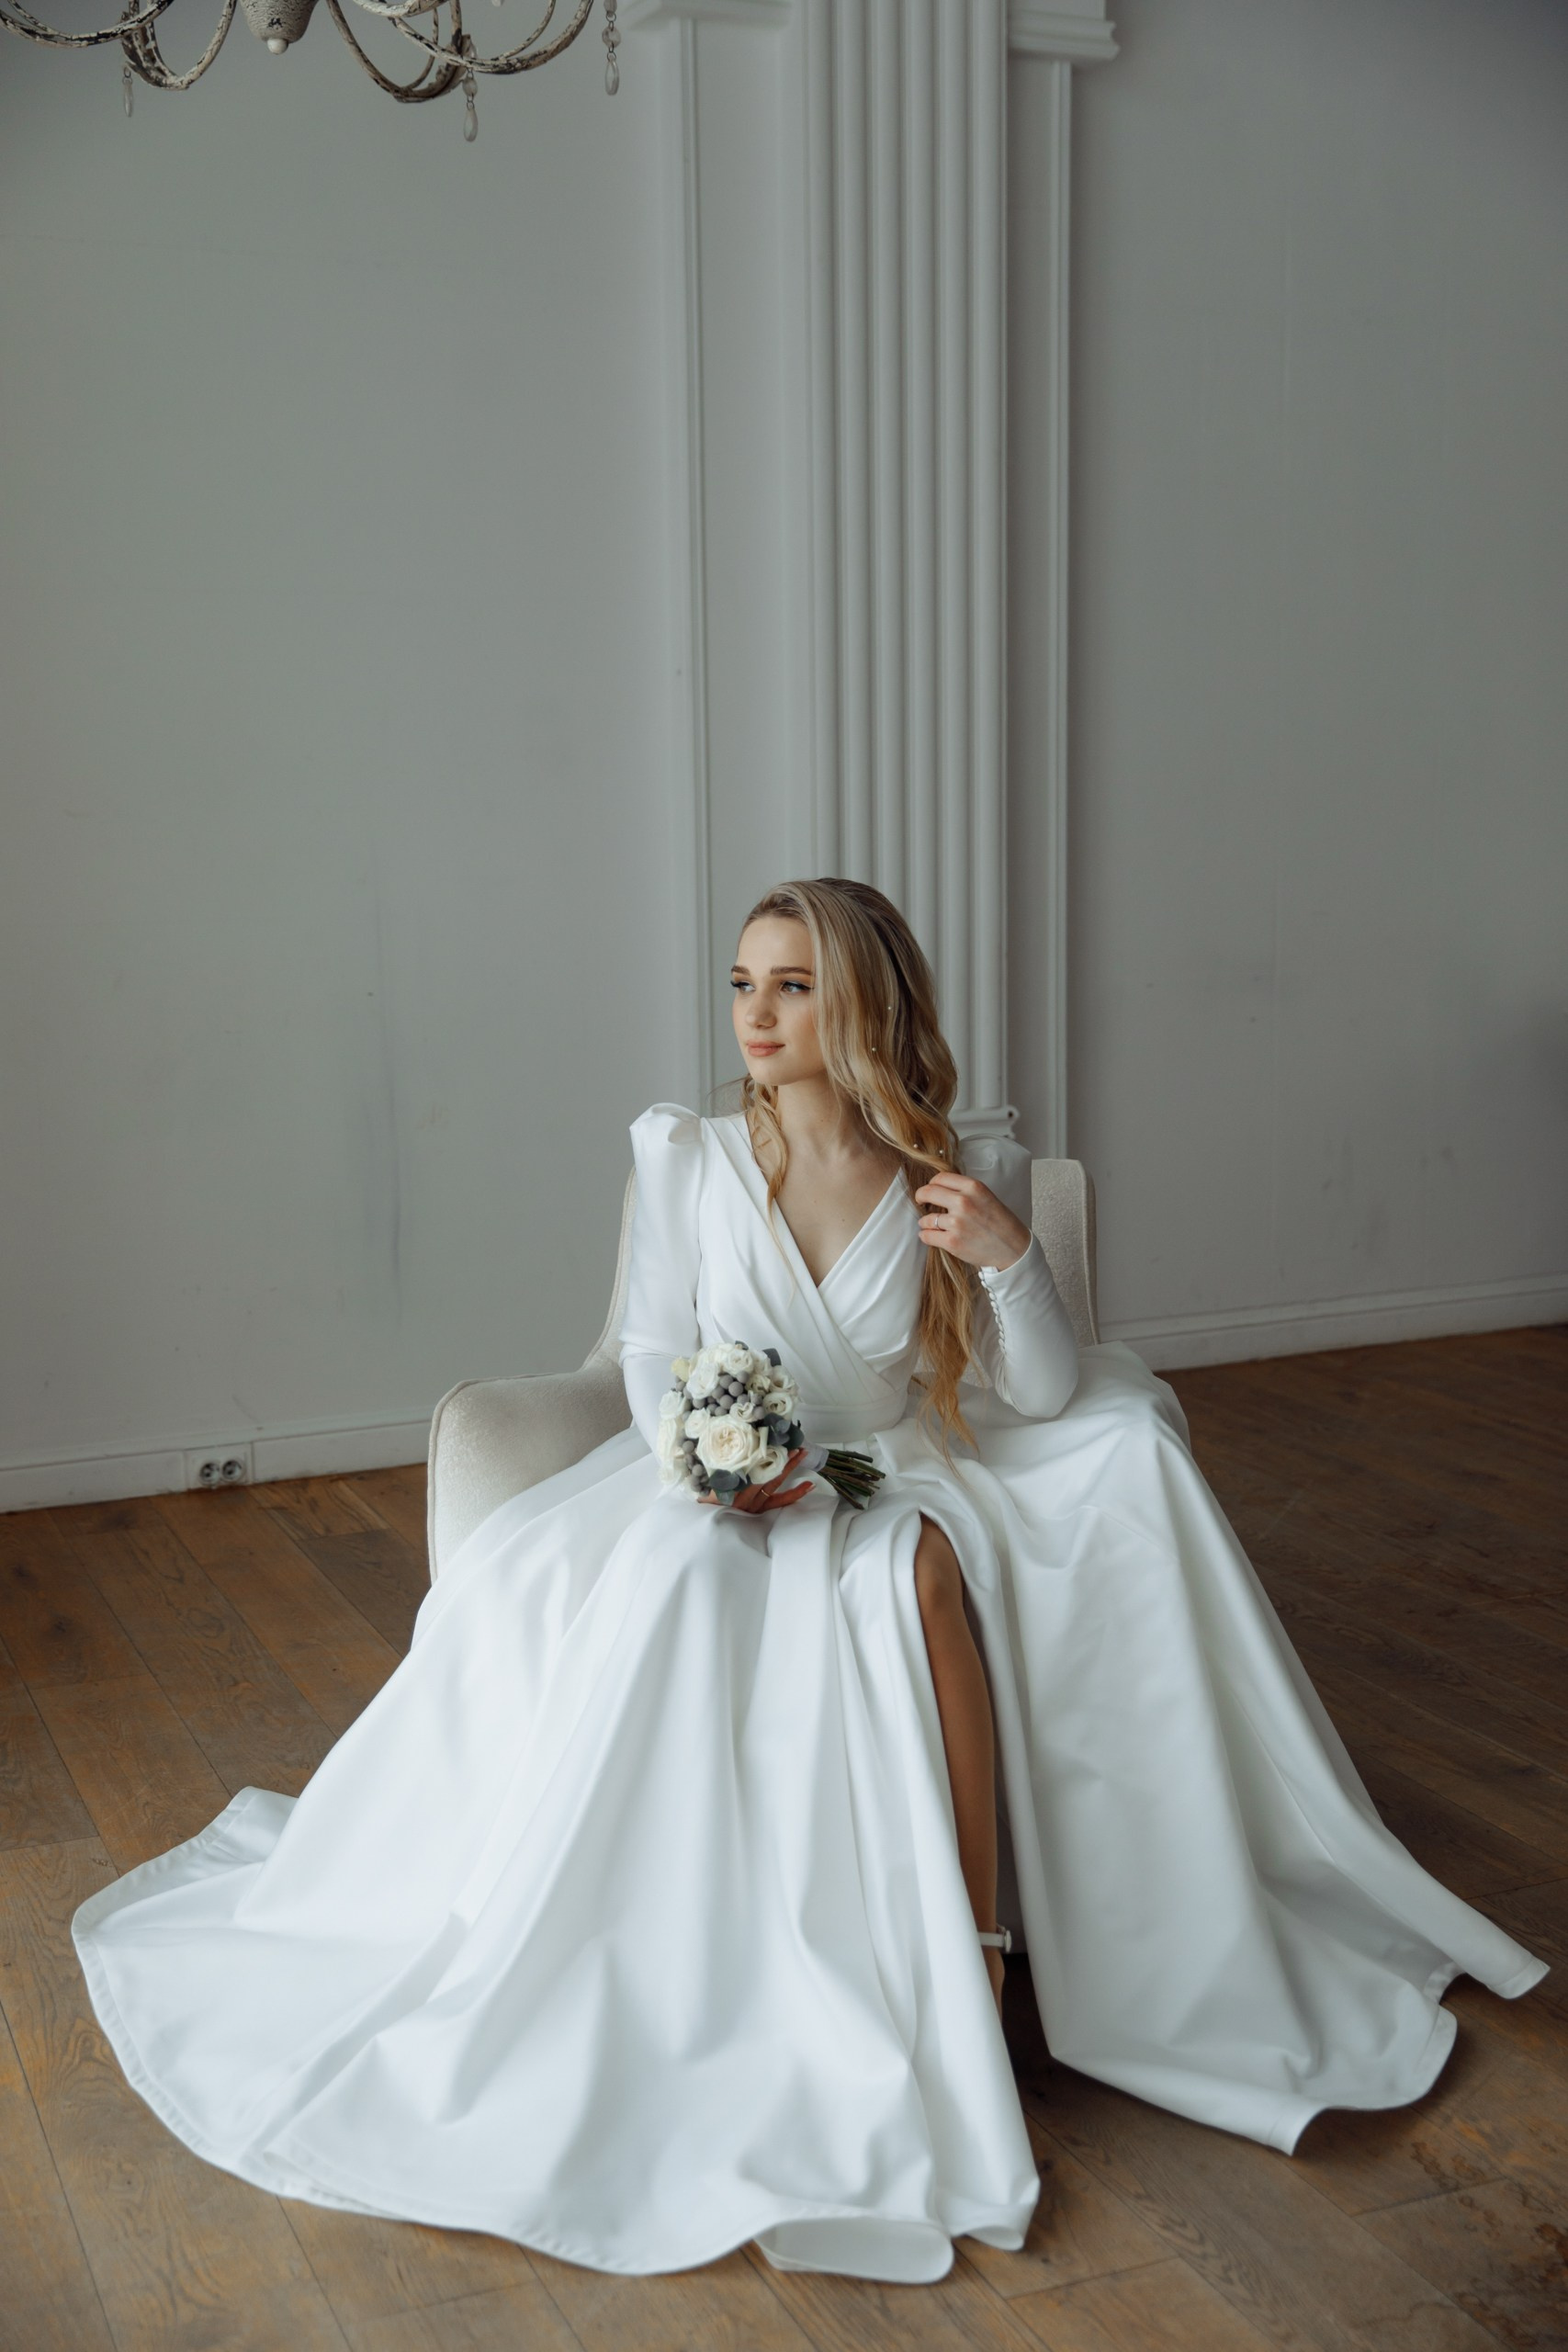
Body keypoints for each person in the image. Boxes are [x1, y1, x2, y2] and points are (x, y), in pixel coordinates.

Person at [73, 876, 1546, 2287]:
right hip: (730, 1463)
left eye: (794, 987)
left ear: (864, 1007)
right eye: (743, 985)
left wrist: (1012, 1258)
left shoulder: (947, 1172)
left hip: (893, 1460)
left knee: (922, 1567)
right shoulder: (694, 1156)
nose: (757, 1016)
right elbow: (650, 1351)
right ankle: (712, 1975)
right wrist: (715, 1458)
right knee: (680, 1590)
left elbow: (1038, 1393)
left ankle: (974, 1954)